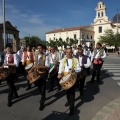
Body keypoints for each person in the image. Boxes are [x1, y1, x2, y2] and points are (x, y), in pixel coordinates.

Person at [58, 48, 81, 116]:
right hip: (65, 78)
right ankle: (68, 100)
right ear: (65, 53)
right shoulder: (62, 60)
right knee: (67, 92)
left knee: (72, 94)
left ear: (72, 53)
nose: (68, 53)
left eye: (70, 52)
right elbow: (60, 68)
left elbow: (79, 69)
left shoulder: (75, 60)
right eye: (67, 52)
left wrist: (74, 70)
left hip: (72, 78)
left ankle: (71, 108)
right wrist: (59, 74)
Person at [34, 44, 49, 111]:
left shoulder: (46, 56)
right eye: (38, 48)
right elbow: (35, 64)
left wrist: (40, 67)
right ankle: (43, 96)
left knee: (43, 88)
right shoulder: (36, 55)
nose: (39, 50)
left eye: (40, 48)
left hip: (43, 74)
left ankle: (42, 103)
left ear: (43, 49)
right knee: (38, 86)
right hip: (37, 73)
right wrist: (31, 70)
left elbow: (47, 66)